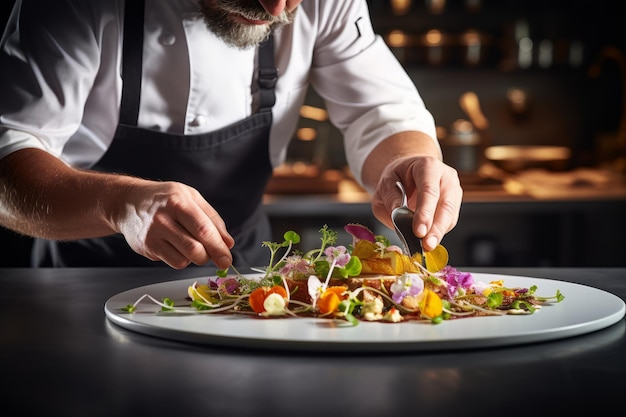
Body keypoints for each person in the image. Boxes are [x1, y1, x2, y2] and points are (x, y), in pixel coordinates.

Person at [0, 0, 462, 269]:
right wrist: (119, 203)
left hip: (243, 276)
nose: (277, 8)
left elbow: (379, 111)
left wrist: (406, 161)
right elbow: (9, 154)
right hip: (85, 275)